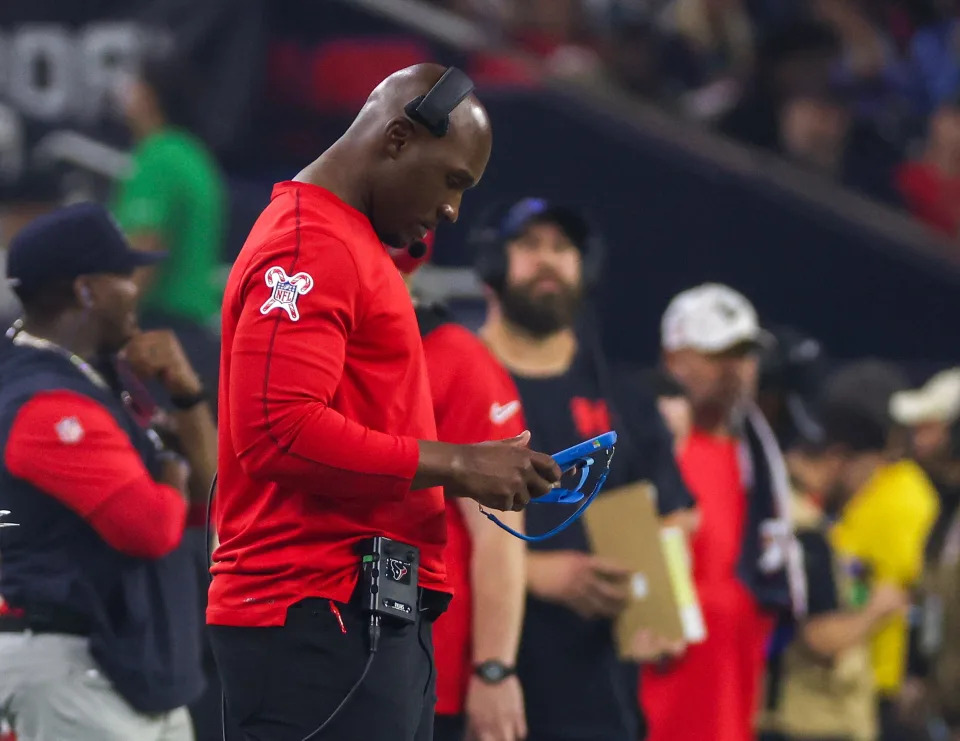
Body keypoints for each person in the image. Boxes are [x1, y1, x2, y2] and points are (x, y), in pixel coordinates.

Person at [208, 64, 562, 741]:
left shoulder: (339, 239)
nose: (454, 209)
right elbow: (277, 432)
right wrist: (459, 464)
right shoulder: (309, 241)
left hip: (346, 616)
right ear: (397, 139)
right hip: (317, 614)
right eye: (452, 180)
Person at [472, 196, 695, 741]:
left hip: (599, 695)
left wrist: (662, 607)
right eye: (529, 245)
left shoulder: (624, 401)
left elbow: (674, 515)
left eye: (562, 248)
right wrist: (535, 574)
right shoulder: (456, 378)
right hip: (479, 683)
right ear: (494, 264)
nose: (547, 260)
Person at [0, 203, 215, 741]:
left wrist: (187, 395)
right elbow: (148, 527)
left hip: (131, 668)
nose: (136, 287)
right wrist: (169, 468)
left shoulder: (103, 381)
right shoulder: (41, 400)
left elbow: (210, 494)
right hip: (71, 667)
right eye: (123, 274)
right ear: (87, 290)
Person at [642, 283, 805, 741]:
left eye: (745, 355)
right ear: (673, 358)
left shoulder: (759, 463)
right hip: (652, 708)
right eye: (719, 355)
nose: (736, 370)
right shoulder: (640, 449)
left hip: (731, 710)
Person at [393, 241, 530, 741]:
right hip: (328, 657)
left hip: (429, 674)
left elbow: (499, 532)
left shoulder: (456, 359)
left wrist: (494, 669)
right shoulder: (317, 349)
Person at [814, 361, 939, 741]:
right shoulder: (863, 499)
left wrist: (915, 677)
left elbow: (908, 601)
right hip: (851, 694)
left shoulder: (903, 497)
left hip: (889, 700)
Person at [111, 50, 225, 402]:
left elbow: (145, 254)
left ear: (150, 96)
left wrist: (105, 326)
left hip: (161, 335)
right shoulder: (193, 154)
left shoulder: (159, 157)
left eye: (134, 84)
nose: (124, 92)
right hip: (197, 338)